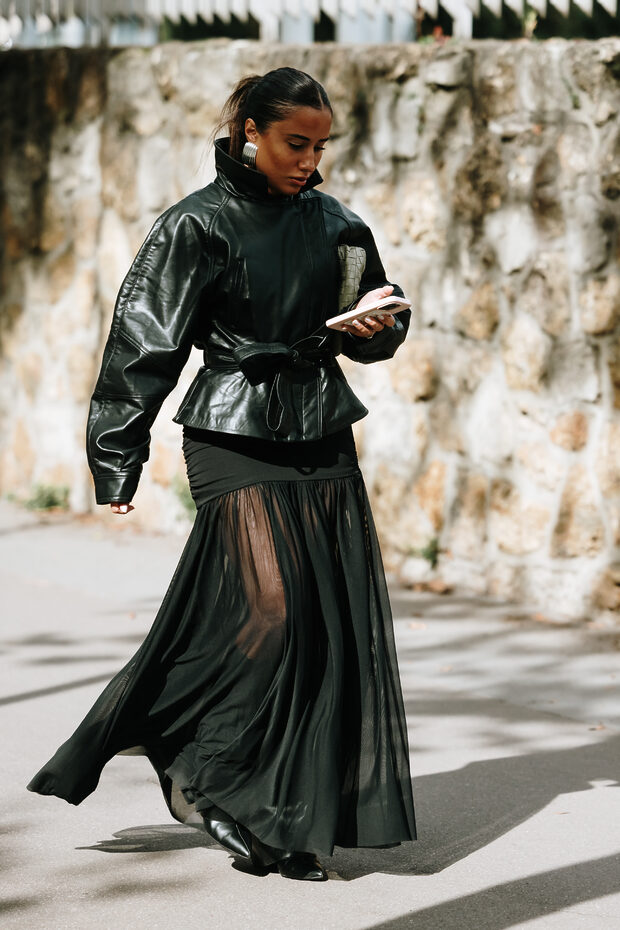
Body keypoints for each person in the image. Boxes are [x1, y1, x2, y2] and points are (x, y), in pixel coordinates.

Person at [27, 67, 417, 882]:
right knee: (274, 611)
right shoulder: (194, 224)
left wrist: (377, 327)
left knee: (322, 627)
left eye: (320, 147)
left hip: (321, 427)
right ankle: (202, 769)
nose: (309, 161)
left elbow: (377, 321)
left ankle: (281, 814)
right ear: (250, 131)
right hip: (231, 430)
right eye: (294, 143)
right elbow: (142, 346)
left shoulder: (339, 224)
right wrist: (116, 456)